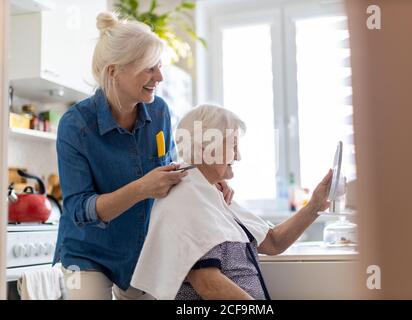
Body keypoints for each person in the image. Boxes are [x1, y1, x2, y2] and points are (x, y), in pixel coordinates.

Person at [53, 13, 233, 300]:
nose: (160, 77)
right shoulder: (75, 125)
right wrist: (142, 188)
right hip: (85, 254)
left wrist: (206, 184)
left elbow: (171, 169)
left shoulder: (159, 110)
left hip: (142, 249)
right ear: (115, 71)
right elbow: (78, 211)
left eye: (159, 66)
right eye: (149, 68)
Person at [131, 104, 332, 300]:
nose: (238, 155)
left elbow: (273, 242)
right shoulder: (185, 197)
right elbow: (207, 284)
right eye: (233, 145)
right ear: (205, 148)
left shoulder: (213, 193)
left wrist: (314, 206)